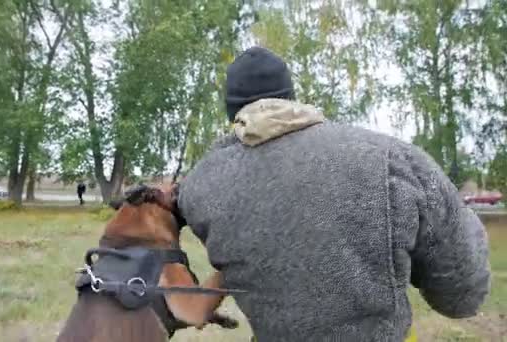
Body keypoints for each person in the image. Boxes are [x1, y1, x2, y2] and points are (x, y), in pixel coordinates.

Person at [176, 46, 491, 341]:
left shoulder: (201, 186)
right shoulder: (392, 159)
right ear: (290, 96)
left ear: (232, 111)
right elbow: (462, 295)